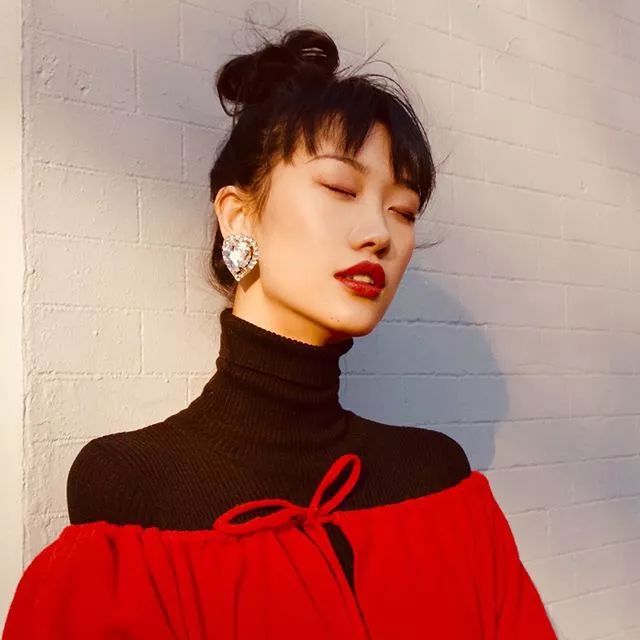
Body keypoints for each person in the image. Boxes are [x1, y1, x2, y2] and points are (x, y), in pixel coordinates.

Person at [2, 26, 558, 640]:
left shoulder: (437, 480)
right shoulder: (132, 490)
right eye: (340, 188)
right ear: (239, 216)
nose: (380, 233)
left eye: (402, 210)